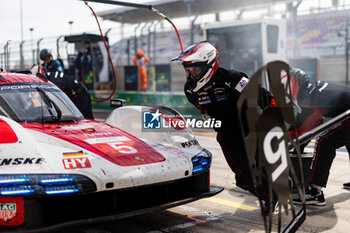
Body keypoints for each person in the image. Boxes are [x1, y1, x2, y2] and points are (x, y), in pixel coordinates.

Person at [172, 41, 276, 215]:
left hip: (252, 127)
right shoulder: (190, 91)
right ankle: (271, 197)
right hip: (227, 134)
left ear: (209, 65)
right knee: (244, 180)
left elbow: (265, 98)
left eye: (195, 69)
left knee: (264, 166)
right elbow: (204, 110)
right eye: (188, 70)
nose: (191, 75)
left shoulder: (232, 78)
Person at [286, 67, 350, 206]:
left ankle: (315, 192)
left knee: (324, 141)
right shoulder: (313, 91)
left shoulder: (309, 98)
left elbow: (305, 128)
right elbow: (306, 127)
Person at [39, 49, 94, 119]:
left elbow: (59, 75)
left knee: (75, 115)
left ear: (50, 57)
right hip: (51, 87)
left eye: (47, 59)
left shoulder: (56, 64)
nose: (46, 61)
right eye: (44, 59)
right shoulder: (43, 66)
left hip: (63, 87)